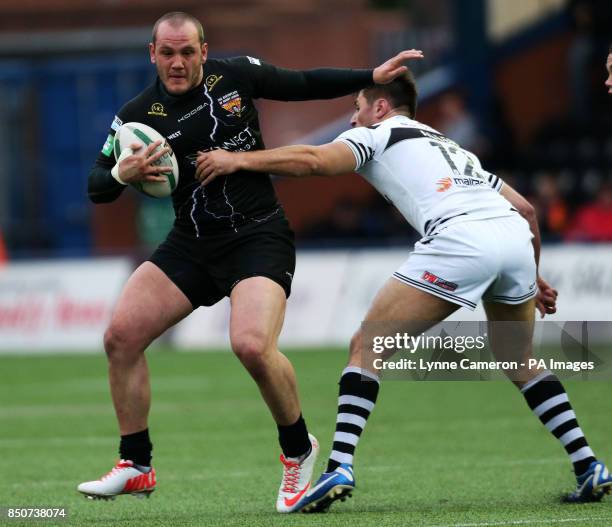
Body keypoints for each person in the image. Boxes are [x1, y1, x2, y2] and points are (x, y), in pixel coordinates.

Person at [196, 72, 612, 512]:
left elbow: (315, 160)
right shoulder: (452, 146)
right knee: (520, 361)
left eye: (357, 108)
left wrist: (238, 160)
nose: (353, 120)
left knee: (366, 348)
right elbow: (526, 210)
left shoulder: (381, 132)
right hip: (512, 241)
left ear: (379, 107)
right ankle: (588, 465)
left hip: (460, 240)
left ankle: (338, 465)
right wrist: (535, 276)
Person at [78, 11, 423, 512]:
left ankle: (298, 450)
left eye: (187, 52)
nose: (177, 62)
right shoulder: (137, 115)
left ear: (203, 50)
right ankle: (136, 464)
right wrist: (121, 173)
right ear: (152, 54)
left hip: (258, 236)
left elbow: (302, 84)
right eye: (167, 53)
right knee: (121, 337)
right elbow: (95, 185)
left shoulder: (235, 75)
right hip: (191, 242)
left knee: (251, 346)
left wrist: (370, 77)